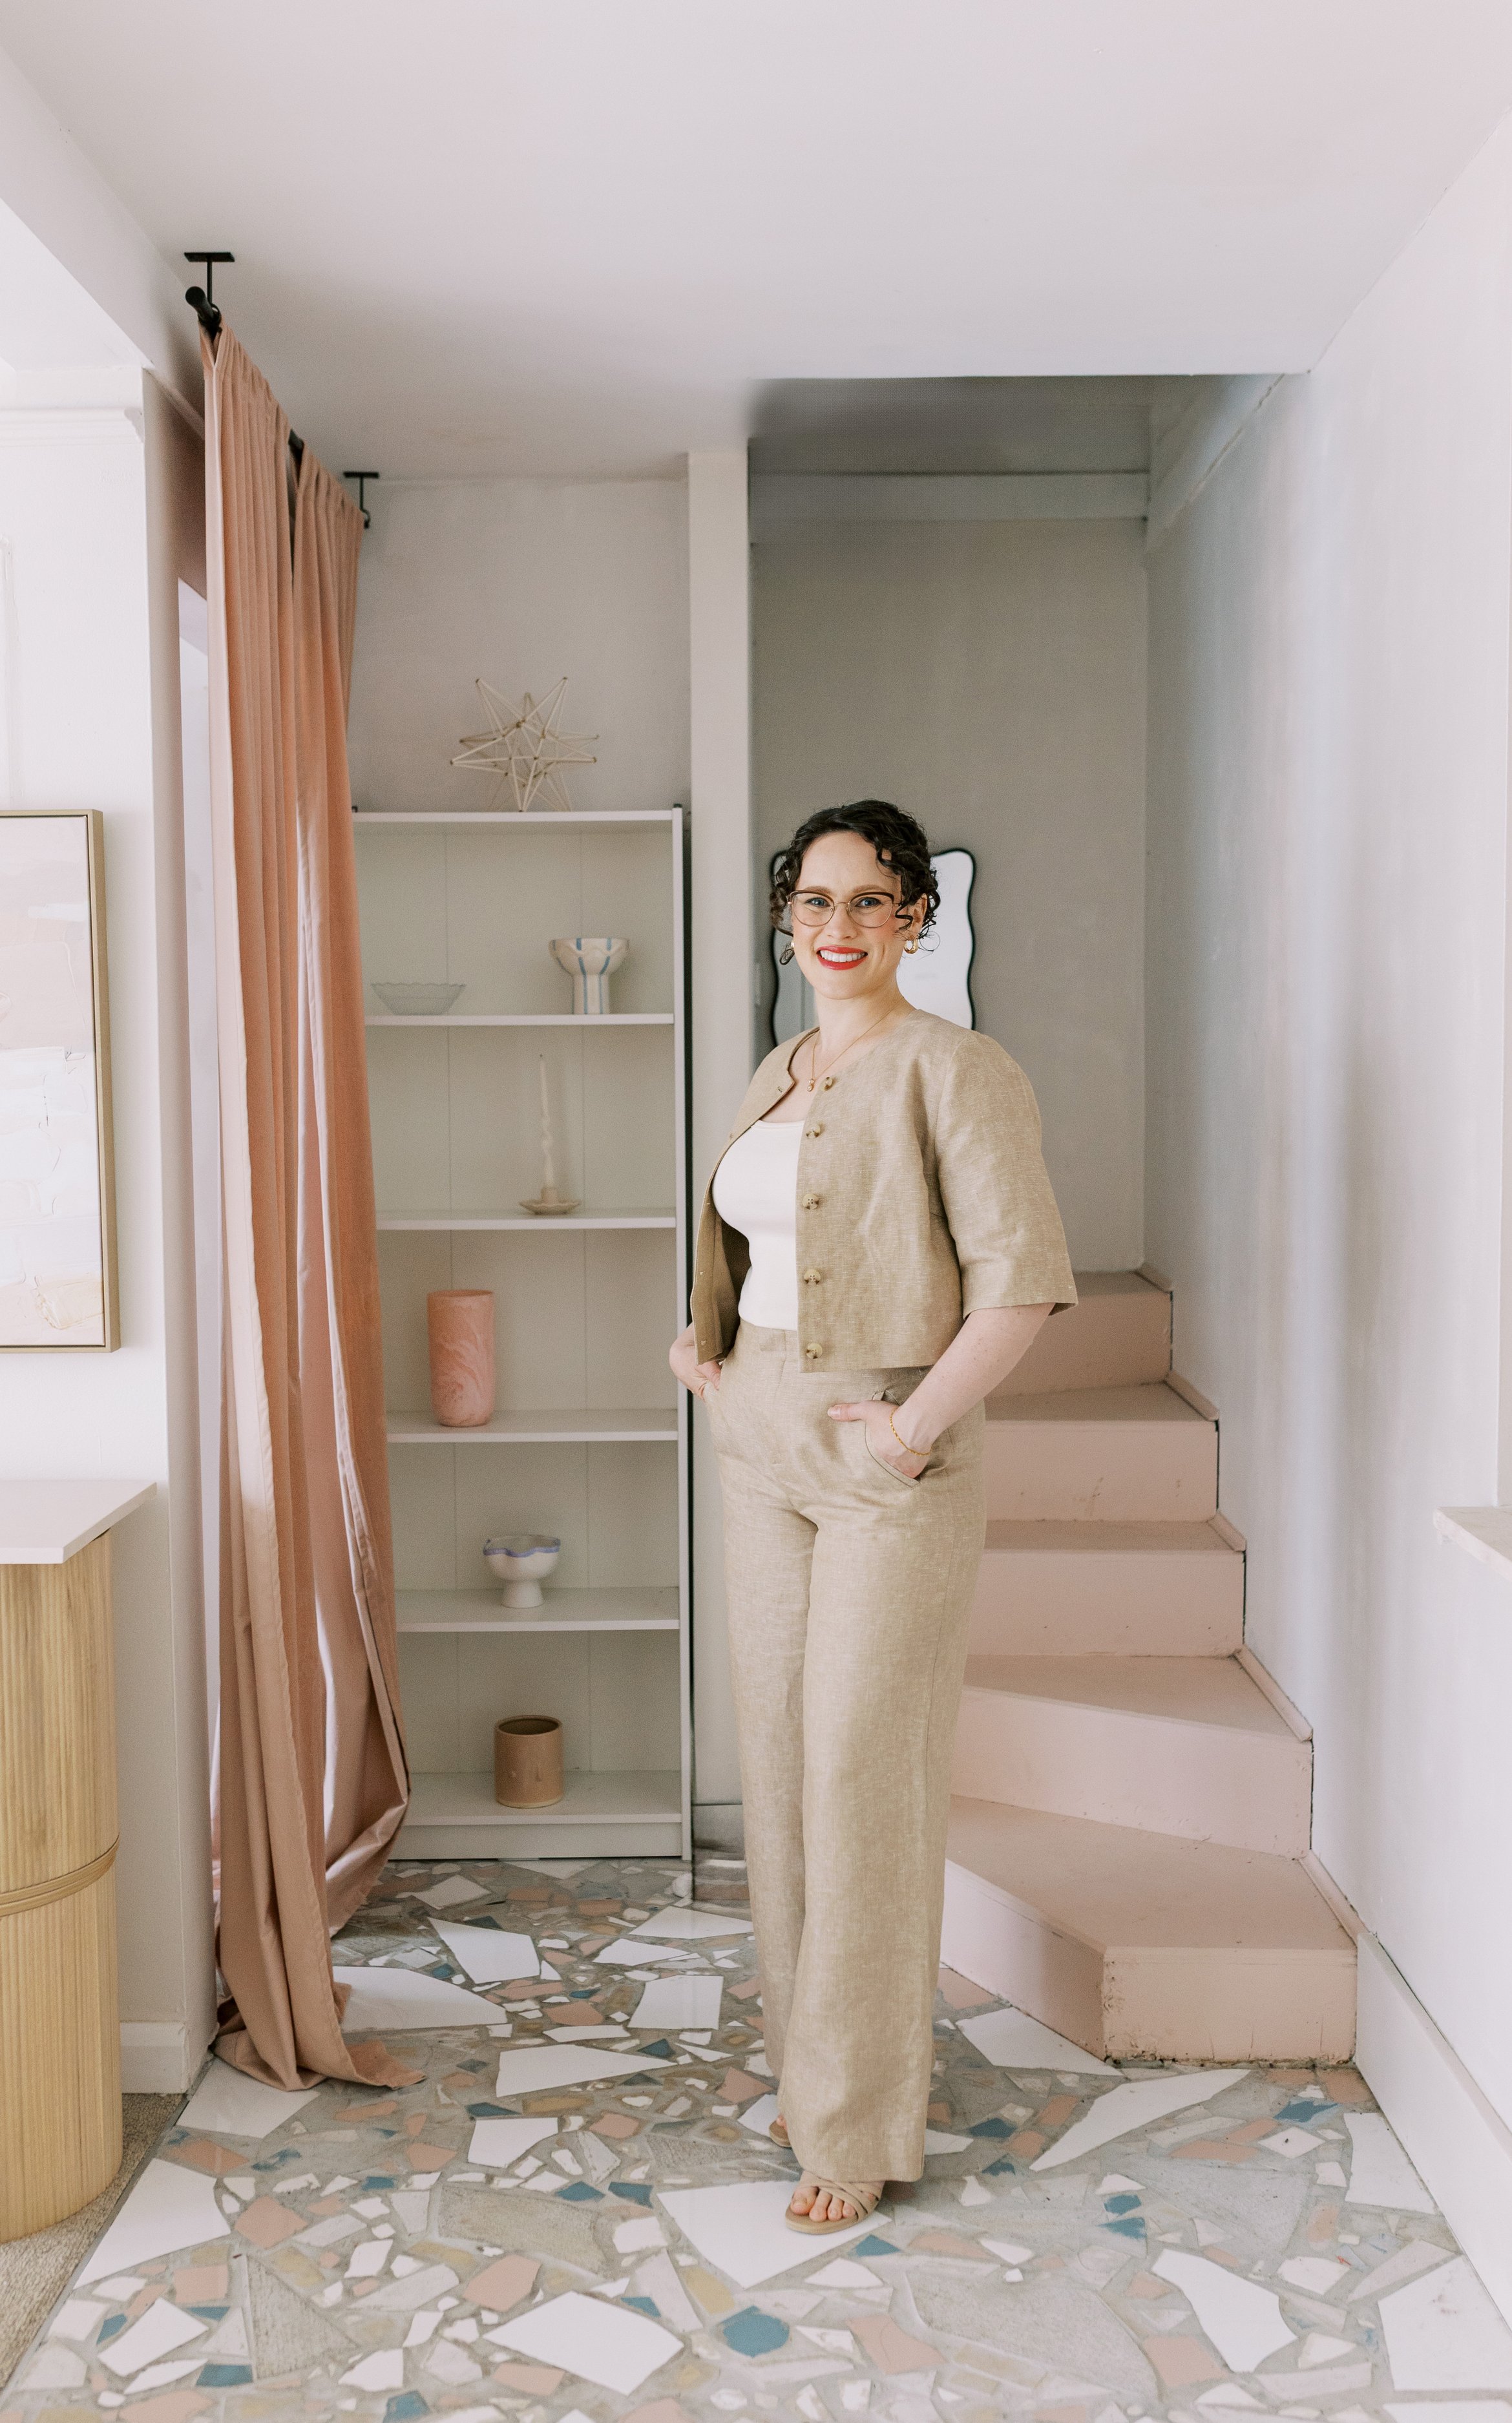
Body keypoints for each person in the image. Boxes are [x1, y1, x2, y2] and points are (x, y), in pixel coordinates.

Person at [670, 799, 1076, 2234]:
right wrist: (706, 1351)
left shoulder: (957, 1071)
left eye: (868, 903)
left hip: (886, 1449)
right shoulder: (778, 1068)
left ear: (914, 919)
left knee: (859, 1774)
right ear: (787, 920)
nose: (835, 929)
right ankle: (814, 2067)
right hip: (757, 1440)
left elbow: (1019, 1281)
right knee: (778, 1767)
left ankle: (856, 2123)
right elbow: (749, 1236)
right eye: (813, 903)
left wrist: (912, 1425)